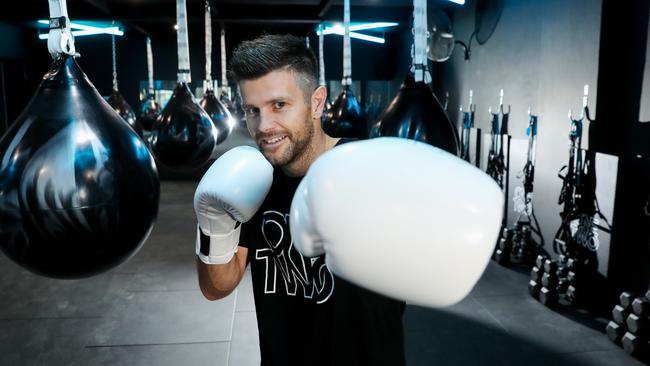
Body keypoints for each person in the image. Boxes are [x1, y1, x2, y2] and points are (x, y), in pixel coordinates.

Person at [195, 34, 407, 365]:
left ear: (317, 102)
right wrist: (213, 225)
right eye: (253, 110)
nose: (264, 126)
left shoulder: (368, 169)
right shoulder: (255, 181)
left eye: (279, 105)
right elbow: (217, 287)